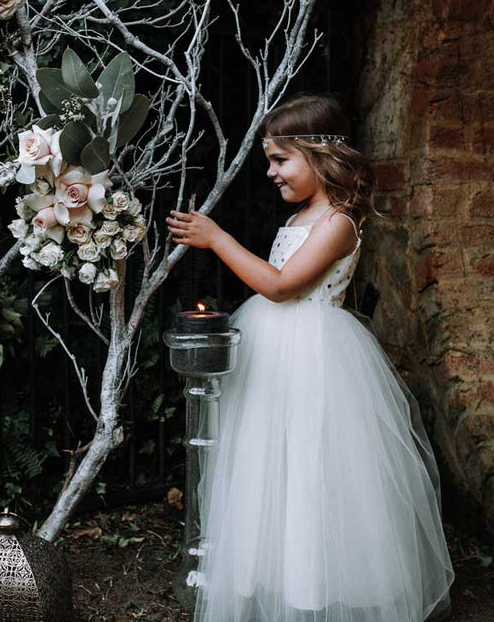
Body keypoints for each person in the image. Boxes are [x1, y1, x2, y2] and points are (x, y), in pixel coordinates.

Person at [165, 93, 455, 622]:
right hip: (274, 356)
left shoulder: (339, 222)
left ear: (320, 155)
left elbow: (281, 287)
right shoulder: (305, 215)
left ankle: (318, 588)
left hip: (319, 359)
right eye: (269, 162)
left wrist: (217, 238)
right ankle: (273, 577)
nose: (272, 173)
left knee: (313, 464)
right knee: (266, 461)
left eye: (281, 160)